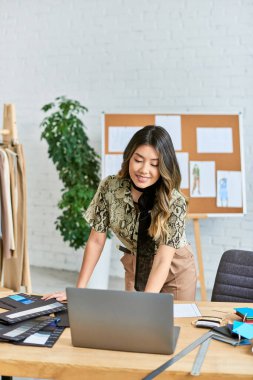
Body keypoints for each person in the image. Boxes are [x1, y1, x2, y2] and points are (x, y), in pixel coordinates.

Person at [43, 125, 197, 302]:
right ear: (129, 157)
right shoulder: (110, 187)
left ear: (164, 166)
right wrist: (78, 291)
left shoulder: (174, 201)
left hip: (173, 270)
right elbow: (96, 240)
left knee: (173, 325)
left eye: (154, 164)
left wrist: (147, 304)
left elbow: (163, 259)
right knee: (132, 325)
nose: (144, 170)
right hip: (135, 266)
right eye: (138, 160)